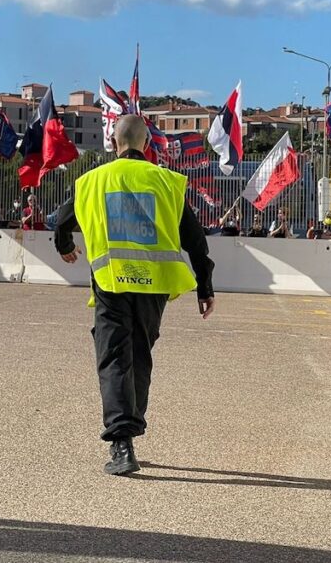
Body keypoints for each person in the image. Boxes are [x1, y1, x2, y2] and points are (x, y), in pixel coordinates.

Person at [53, 115, 215, 476]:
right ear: (148, 144)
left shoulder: (92, 181)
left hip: (112, 281)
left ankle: (122, 443)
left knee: (114, 358)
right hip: (155, 286)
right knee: (140, 356)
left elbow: (63, 220)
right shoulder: (168, 182)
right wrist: (204, 286)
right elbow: (195, 239)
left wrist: (64, 246)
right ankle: (130, 427)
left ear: (113, 142)